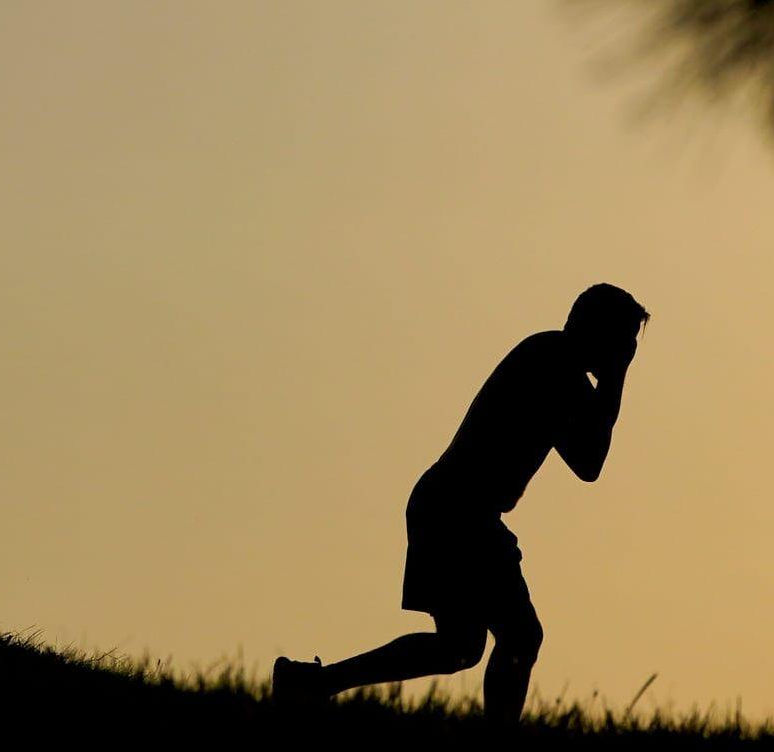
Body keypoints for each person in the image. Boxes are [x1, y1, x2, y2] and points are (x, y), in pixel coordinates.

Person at [274, 284, 649, 722]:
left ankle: (312, 684)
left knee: (459, 647)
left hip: (454, 508)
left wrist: (609, 381)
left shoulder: (554, 359)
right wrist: (617, 378)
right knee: (520, 635)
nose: (627, 351)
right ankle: (495, 741)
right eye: (624, 340)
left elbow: (587, 459)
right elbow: (591, 462)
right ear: (600, 332)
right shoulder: (556, 364)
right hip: (458, 511)